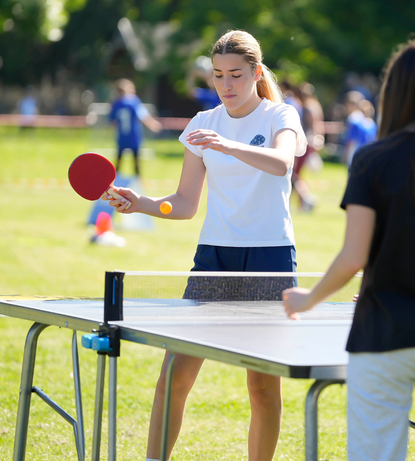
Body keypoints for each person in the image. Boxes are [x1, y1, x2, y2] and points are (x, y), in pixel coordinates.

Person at [283, 39, 415, 461]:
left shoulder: (370, 160)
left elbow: (353, 257)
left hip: (380, 336)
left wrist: (309, 298)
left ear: (392, 91)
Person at [103, 29, 307, 461]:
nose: (226, 85)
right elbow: (183, 204)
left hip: (269, 257)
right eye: (218, 75)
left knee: (262, 386)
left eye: (235, 74)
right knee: (173, 377)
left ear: (255, 73)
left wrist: (230, 146)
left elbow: (283, 163)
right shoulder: (201, 125)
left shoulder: (280, 116)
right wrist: (142, 205)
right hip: (213, 257)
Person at [109, 79, 162, 177]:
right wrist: (153, 124)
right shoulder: (133, 102)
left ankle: (114, 180)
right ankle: (138, 181)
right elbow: (143, 116)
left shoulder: (116, 103)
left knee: (119, 161)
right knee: (136, 161)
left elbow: (112, 121)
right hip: (133, 136)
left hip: (122, 136)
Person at [290, 82, 325, 211]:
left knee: (295, 174)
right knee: (297, 174)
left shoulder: (308, 107)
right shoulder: (316, 105)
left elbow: (312, 126)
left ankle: (307, 199)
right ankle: (302, 202)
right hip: (312, 141)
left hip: (307, 142)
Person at [342, 93, 377, 166]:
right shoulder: (369, 122)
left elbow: (351, 139)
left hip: (356, 150)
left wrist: (345, 153)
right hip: (367, 151)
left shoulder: (353, 118)